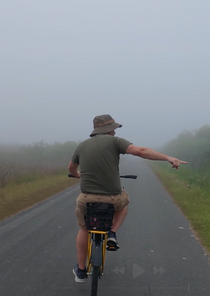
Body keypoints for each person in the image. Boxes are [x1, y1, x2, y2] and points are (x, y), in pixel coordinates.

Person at [69, 114, 186, 283]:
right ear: (108, 130)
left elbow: (71, 168)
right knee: (124, 201)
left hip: (87, 198)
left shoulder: (82, 146)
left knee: (84, 229)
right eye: (114, 129)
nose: (115, 132)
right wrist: (168, 157)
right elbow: (140, 151)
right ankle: (112, 232)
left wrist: (78, 175)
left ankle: (80, 270)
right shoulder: (116, 142)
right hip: (112, 198)